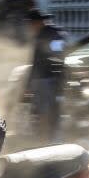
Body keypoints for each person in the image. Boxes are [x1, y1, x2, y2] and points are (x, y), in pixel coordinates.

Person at [26, 8, 67, 143]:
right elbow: (58, 57)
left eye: (31, 24)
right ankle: (50, 139)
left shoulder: (46, 35)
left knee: (44, 113)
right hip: (52, 79)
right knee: (49, 112)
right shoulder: (56, 33)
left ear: (36, 23)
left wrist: (29, 84)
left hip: (44, 79)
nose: (30, 28)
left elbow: (39, 61)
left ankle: (45, 141)